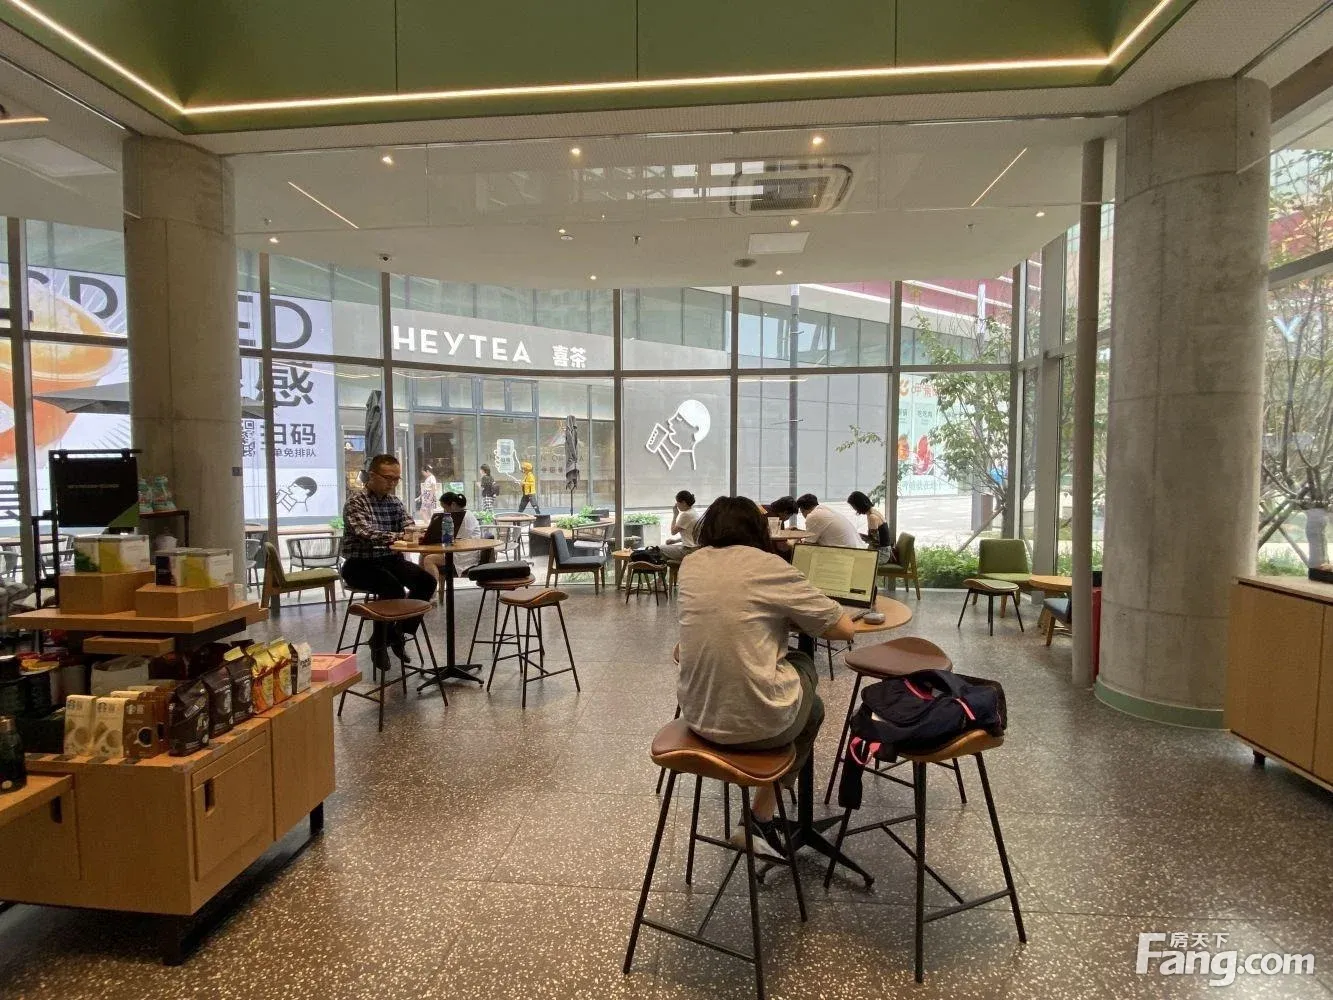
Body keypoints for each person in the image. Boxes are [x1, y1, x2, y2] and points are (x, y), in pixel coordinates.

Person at [677, 496, 855, 855]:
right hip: (758, 728)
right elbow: (843, 628)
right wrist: (788, 615)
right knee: (807, 679)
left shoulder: (690, 564)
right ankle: (760, 815)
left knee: (801, 695)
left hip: (696, 718)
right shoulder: (769, 566)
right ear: (759, 530)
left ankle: (762, 818)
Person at [340, 454, 437, 664]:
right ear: (372, 475)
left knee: (427, 581)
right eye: (387, 478)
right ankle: (380, 640)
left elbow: (408, 525)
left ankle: (397, 633)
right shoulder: (356, 501)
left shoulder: (394, 502)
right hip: (359, 564)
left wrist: (415, 534)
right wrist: (400, 536)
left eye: (396, 479)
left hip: (390, 560)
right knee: (392, 588)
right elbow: (365, 532)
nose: (392, 483)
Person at [422, 492, 484, 592]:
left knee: (429, 559)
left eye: (445, 508)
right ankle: (423, 590)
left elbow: (456, 541)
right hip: (458, 551)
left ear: (453, 505)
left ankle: (431, 593)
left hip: (465, 555)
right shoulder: (458, 516)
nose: (444, 511)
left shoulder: (465, 517)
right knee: (423, 555)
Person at [796, 493, 862, 548]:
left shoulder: (813, 516)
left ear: (802, 509)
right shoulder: (824, 510)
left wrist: (794, 541)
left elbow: (808, 544)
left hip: (840, 552)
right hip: (851, 549)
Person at [661, 490, 700, 562]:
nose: (676, 505)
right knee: (667, 549)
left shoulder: (686, 515)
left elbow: (673, 532)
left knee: (660, 549)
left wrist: (675, 515)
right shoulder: (693, 512)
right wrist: (675, 541)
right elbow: (690, 535)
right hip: (694, 548)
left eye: (677, 502)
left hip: (688, 550)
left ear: (683, 503)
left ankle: (665, 567)